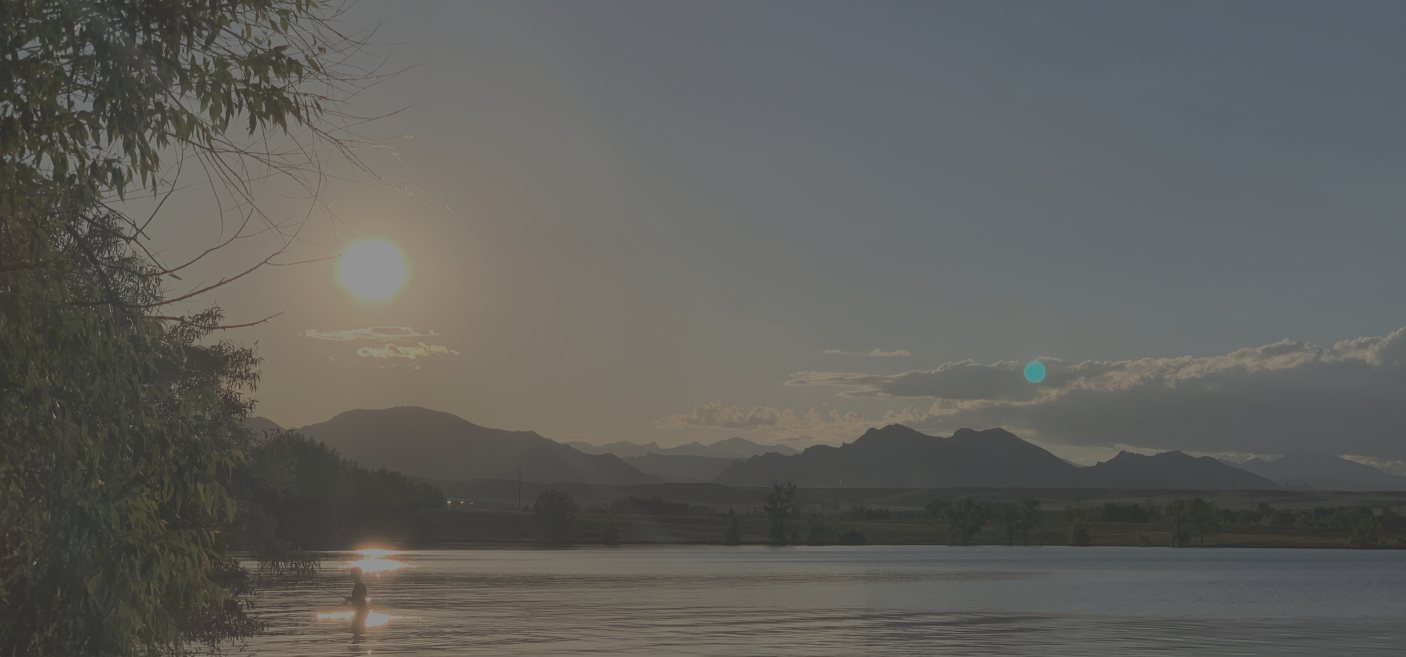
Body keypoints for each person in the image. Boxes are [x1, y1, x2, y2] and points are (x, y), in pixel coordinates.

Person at [346, 567, 368, 635]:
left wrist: (351, 599)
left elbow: (360, 599)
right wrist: (351, 599)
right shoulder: (360, 584)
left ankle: (356, 644)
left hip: (361, 611)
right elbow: (359, 598)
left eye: (352, 573)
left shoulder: (360, 585)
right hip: (361, 610)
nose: (350, 575)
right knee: (357, 631)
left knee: (356, 630)